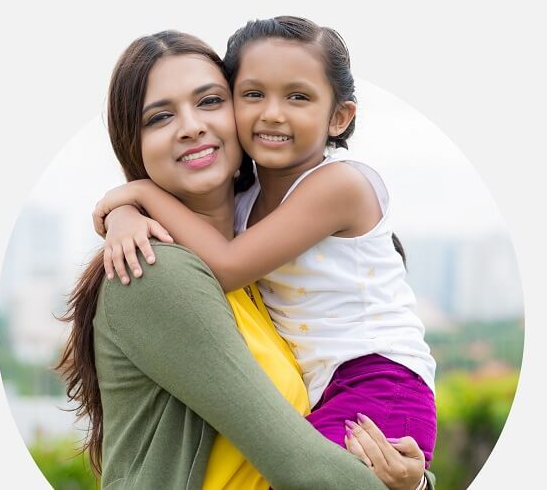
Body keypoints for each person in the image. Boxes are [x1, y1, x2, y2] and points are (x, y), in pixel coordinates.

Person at [59, 29, 431, 489]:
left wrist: (412, 483)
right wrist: (132, 204)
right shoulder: (154, 271)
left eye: (210, 101)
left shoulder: (261, 267)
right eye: (159, 117)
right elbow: (304, 468)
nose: (191, 125)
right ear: (131, 144)